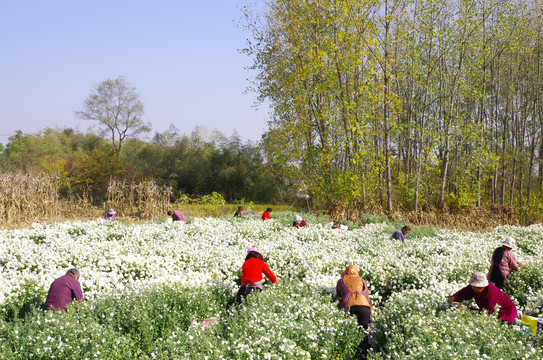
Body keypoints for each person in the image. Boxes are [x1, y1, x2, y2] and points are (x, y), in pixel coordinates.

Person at [447, 271, 517, 324]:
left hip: (506, 314)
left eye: (480, 287)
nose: (478, 288)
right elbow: (464, 293)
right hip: (493, 312)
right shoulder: (473, 288)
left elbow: (487, 313)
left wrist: (468, 309)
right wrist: (454, 297)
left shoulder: (490, 294)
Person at [336, 265, 372, 355]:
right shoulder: (362, 280)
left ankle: (350, 353)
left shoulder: (341, 281)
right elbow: (366, 296)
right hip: (364, 306)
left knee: (348, 331)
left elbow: (338, 296)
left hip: (348, 305)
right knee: (364, 331)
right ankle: (365, 354)